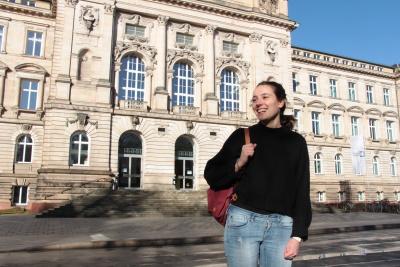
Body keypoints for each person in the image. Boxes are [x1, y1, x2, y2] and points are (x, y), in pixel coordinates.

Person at [204, 81, 312, 267]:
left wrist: (297, 236)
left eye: (265, 97)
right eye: (254, 99)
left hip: (282, 226)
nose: (258, 103)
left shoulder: (296, 142)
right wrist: (239, 162)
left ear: (281, 102)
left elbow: (302, 190)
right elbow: (211, 174)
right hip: (243, 221)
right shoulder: (242, 135)